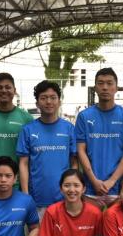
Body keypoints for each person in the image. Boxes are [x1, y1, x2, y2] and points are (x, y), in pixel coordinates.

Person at [75, 68, 123, 207]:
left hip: (118, 187)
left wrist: (112, 181)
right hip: (91, 187)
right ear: (95, 88)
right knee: (90, 228)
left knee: (116, 228)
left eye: (109, 83)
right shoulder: (84, 116)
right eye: (101, 83)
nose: (105, 87)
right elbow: (80, 150)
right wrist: (93, 180)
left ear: (116, 87)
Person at [16, 80, 77, 216]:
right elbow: (23, 164)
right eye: (43, 98)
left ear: (59, 101)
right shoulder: (28, 130)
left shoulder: (69, 129)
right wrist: (25, 195)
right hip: (36, 200)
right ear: (37, 103)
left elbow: (74, 163)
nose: (48, 102)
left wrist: (72, 190)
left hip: (64, 199)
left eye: (53, 97)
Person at [38, 169, 103, 236]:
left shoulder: (95, 213)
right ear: (61, 189)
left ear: (83, 189)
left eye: (76, 185)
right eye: (67, 185)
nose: (72, 189)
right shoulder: (52, 211)